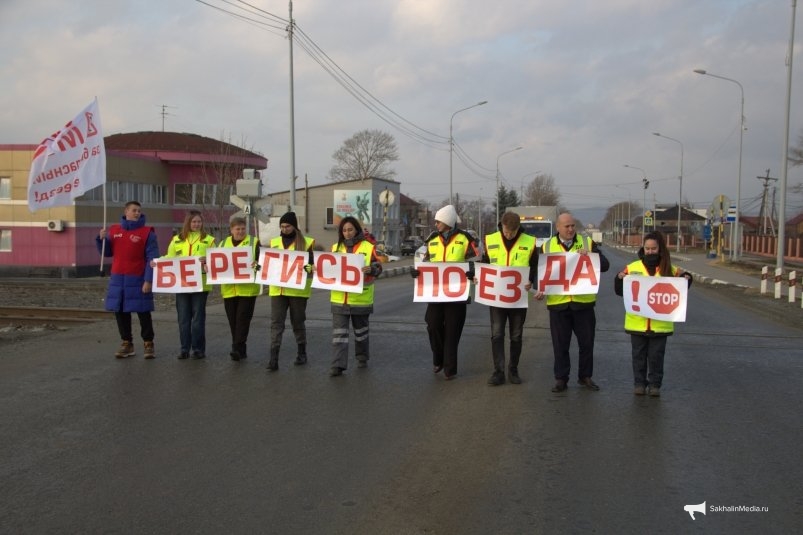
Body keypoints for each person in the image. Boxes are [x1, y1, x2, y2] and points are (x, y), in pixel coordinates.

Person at [535, 212, 609, 392]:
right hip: (558, 305)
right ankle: (561, 378)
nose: (570, 229)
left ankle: (585, 377)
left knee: (586, 343)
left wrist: (591, 256)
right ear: (558, 227)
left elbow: (605, 266)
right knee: (560, 345)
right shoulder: (547, 246)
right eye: (566, 226)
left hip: (583, 304)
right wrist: (540, 289)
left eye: (572, 226)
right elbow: (542, 273)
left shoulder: (587, 243)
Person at [614, 231, 692, 396]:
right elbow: (620, 291)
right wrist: (619, 278)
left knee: (656, 357)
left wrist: (687, 277)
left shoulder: (669, 269)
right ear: (643, 248)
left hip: (660, 325)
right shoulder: (633, 268)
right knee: (638, 357)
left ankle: (655, 385)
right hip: (637, 323)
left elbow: (685, 280)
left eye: (653, 248)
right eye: (647, 248)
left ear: (660, 249)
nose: (650, 251)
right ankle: (639, 384)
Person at [410, 204, 479, 380]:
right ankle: (438, 358)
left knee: (452, 330)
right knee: (432, 323)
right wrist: (416, 272)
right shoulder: (432, 239)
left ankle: (450, 369)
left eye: (438, 221)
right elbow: (424, 261)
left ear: (448, 221)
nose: (435, 224)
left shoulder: (465, 239)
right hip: (436, 292)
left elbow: (478, 260)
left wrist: (473, 271)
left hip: (458, 293)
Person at [481, 211, 538, 386]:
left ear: (518, 228)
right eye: (506, 231)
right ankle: (498, 372)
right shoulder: (491, 239)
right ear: (502, 226)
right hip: (497, 298)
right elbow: (484, 264)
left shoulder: (529, 242)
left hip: (518, 298)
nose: (508, 235)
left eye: (512, 232)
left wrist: (531, 280)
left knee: (516, 336)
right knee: (497, 334)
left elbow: (535, 267)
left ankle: (513, 370)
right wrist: (479, 276)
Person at [97, 201, 159, 359]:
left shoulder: (147, 233)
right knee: (120, 311)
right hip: (118, 278)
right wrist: (101, 239)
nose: (137, 213)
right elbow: (107, 252)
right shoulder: (114, 230)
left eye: (139, 210)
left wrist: (148, 280)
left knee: (143, 311)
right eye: (134, 210)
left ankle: (148, 342)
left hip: (138, 278)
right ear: (126, 212)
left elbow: (152, 258)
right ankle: (126, 342)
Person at [328, 216, 383, 377]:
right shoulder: (335, 248)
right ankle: (337, 365)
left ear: (357, 230)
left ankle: (362, 356)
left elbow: (378, 266)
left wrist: (372, 269)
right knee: (339, 335)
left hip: (360, 299)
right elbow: (327, 268)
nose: (347, 233)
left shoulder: (368, 247)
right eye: (344, 230)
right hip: (339, 299)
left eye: (350, 229)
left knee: (361, 333)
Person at [164, 210, 216, 360]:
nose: (197, 224)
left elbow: (215, 260)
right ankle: (184, 348)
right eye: (194, 222)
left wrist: (207, 261)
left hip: (201, 285)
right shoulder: (177, 240)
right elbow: (169, 257)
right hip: (181, 284)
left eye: (199, 221)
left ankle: (198, 349)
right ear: (188, 223)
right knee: (183, 319)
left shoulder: (209, 240)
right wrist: (157, 262)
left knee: (198, 319)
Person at [268, 211, 315, 371]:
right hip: (278, 290)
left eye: (287, 226)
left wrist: (309, 268)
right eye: (282, 226)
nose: (284, 229)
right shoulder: (274, 242)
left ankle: (302, 352)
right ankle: (273, 358)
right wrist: (256, 266)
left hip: (297, 291)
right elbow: (264, 265)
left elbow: (311, 268)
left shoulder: (307, 243)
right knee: (276, 324)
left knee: (297, 323)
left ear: (294, 226)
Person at [219, 216, 262, 362]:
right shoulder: (223, 244)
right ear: (231, 230)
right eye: (237, 229)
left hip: (247, 290)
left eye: (243, 229)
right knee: (233, 321)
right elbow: (216, 263)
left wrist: (256, 265)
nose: (240, 232)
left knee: (242, 319)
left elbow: (262, 265)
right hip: (229, 290)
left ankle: (236, 348)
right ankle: (240, 349)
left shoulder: (253, 242)